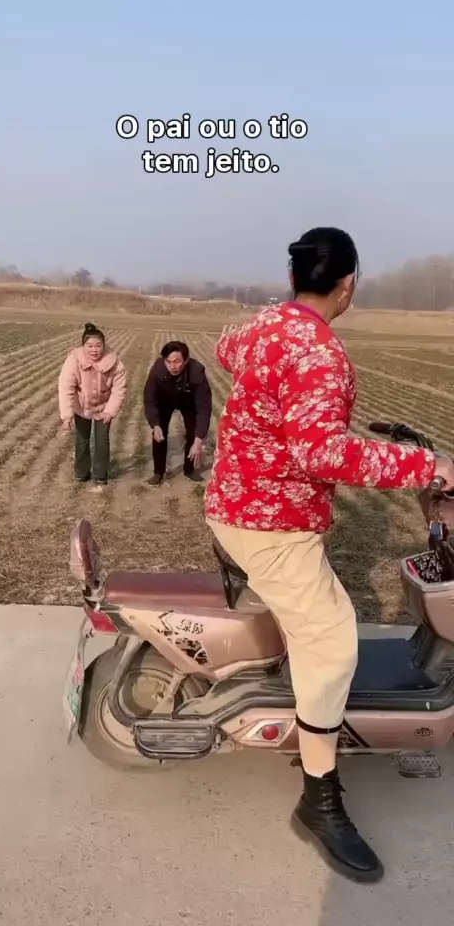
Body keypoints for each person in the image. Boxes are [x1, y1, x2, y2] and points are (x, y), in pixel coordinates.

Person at [205, 227, 454, 884]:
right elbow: (322, 452)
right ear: (348, 284)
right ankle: (319, 801)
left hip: (237, 501)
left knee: (319, 619)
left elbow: (228, 347)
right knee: (335, 640)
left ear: (295, 279)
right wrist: (430, 466)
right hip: (269, 523)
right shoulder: (319, 352)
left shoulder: (264, 325)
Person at [58, 322, 127, 491]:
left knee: (101, 441)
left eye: (98, 345)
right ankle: (81, 473)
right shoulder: (73, 361)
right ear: (83, 346)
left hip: (104, 407)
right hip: (81, 406)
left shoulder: (115, 363)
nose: (94, 350)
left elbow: (119, 389)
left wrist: (110, 410)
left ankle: (100, 475)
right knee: (82, 440)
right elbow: (66, 387)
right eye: (90, 346)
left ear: (104, 345)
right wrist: (67, 415)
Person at [143, 341, 212, 486]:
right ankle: (158, 472)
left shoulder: (196, 372)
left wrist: (199, 440)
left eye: (177, 361)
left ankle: (189, 469)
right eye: (168, 362)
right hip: (165, 400)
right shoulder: (158, 370)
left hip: (189, 401)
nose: (172, 366)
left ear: (186, 360)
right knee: (159, 435)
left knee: (193, 434)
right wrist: (155, 424)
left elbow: (204, 409)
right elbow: (149, 399)